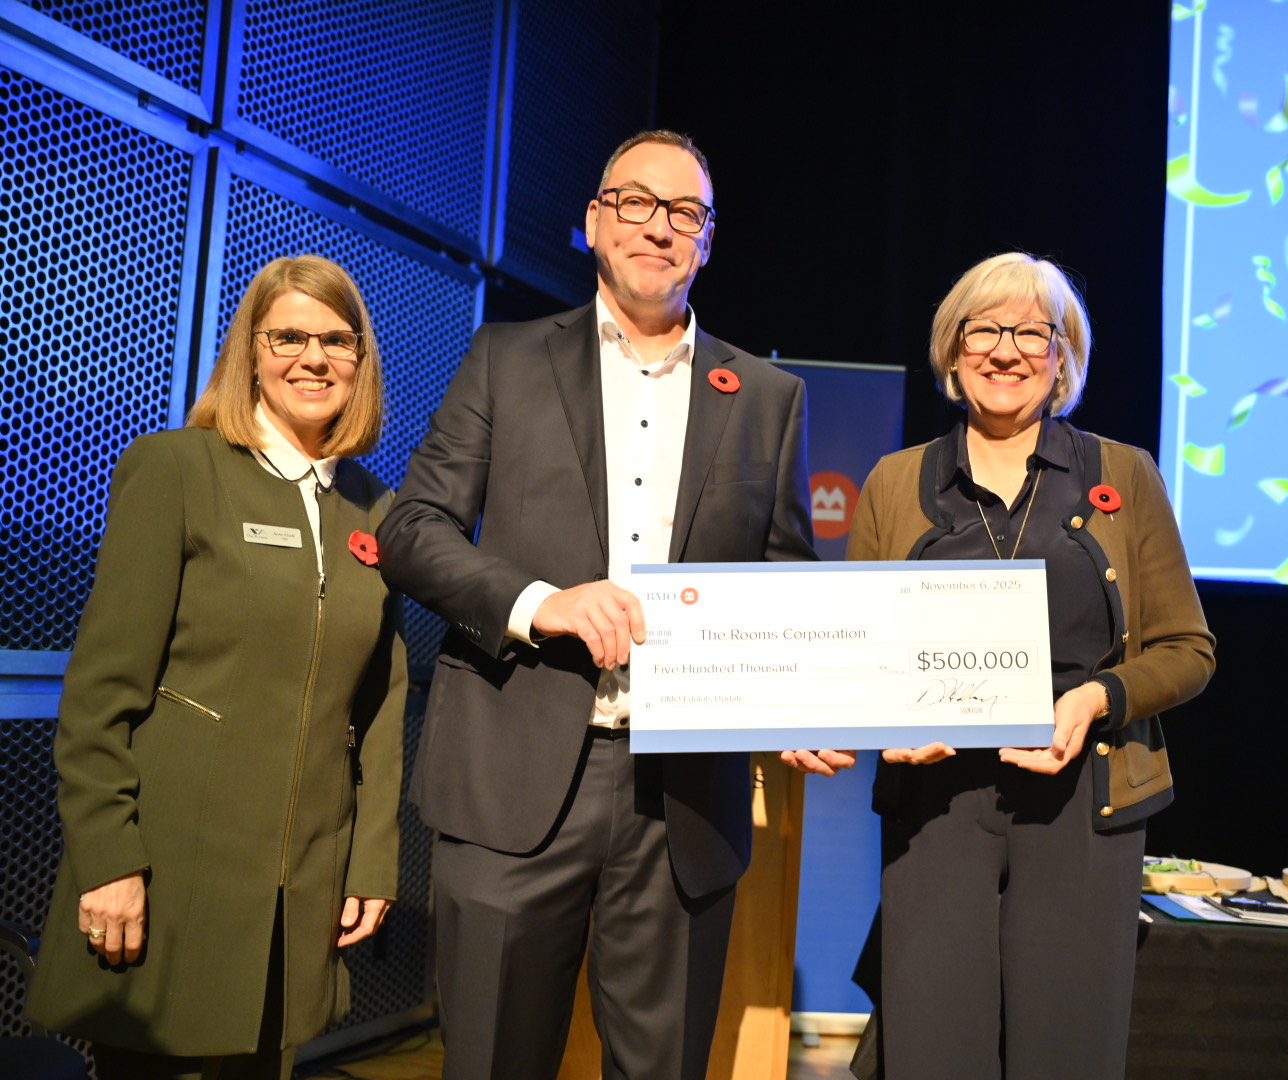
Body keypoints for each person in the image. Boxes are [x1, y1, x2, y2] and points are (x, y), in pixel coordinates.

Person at [378, 130, 842, 1080]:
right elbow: (412, 530)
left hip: (682, 803)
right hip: (511, 781)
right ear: (594, 222)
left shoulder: (766, 396)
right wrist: (537, 602)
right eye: (635, 203)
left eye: (684, 214)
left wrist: (799, 695)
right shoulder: (504, 359)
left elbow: (786, 584)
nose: (658, 229)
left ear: (707, 242)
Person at [26, 255, 407, 1080]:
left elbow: (380, 703)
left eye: (336, 340)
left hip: (301, 888)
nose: (313, 358)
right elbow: (100, 694)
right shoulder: (178, 470)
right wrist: (110, 859)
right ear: (251, 351)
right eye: (289, 337)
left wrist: (372, 859)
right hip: (173, 872)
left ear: (361, 359)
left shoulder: (374, 508)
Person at [845, 252, 1215, 1080]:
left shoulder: (1126, 475)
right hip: (935, 810)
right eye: (985, 329)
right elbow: (859, 655)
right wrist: (883, 727)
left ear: (1062, 357)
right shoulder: (893, 483)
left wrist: (1094, 698)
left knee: (1066, 1053)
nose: (1005, 350)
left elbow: (1189, 651)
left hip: (1083, 802)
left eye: (1031, 332)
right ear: (952, 348)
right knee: (933, 1053)